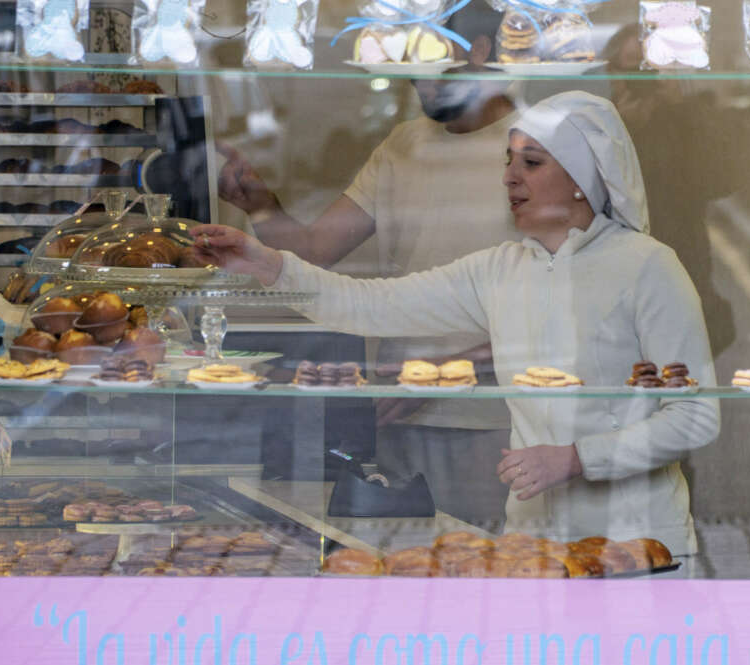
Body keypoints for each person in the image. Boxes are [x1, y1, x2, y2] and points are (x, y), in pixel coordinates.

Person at [195, 92, 720, 558]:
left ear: (583, 181)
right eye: (509, 161)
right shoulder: (498, 269)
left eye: (532, 163)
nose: (510, 177)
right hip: (532, 549)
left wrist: (577, 459)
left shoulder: (648, 266)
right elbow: (368, 304)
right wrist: (265, 264)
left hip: (639, 545)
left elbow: (696, 416)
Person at [216, 6, 520, 529]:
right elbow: (313, 251)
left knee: (486, 579)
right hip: (400, 411)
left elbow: (561, 299)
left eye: (427, 51)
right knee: (405, 573)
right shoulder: (403, 144)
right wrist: (260, 204)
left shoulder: (534, 149)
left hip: (501, 418)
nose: (415, 73)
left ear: (480, 50)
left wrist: (451, 370)